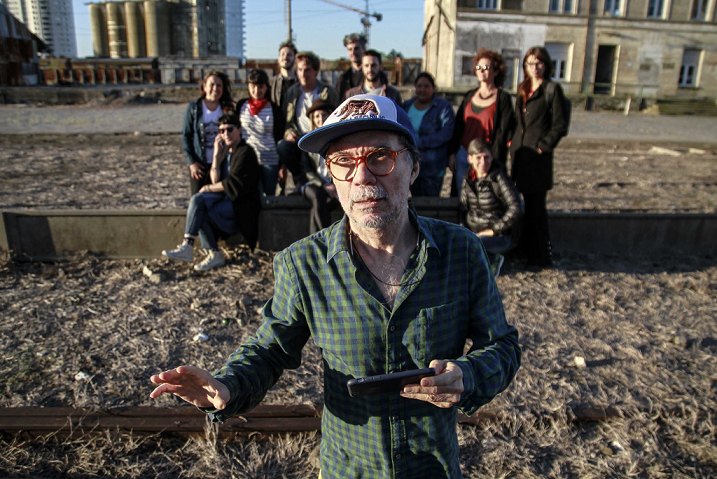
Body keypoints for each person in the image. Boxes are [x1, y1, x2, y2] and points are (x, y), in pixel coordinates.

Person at [150, 94, 521, 479]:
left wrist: (469, 375)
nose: (361, 177)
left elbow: (503, 346)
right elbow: (270, 350)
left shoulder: (461, 251)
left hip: (434, 469)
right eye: (343, 162)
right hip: (349, 469)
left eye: (380, 156)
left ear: (412, 167)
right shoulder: (304, 264)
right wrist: (227, 387)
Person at [163, 113, 261, 271]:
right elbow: (215, 180)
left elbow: (232, 184)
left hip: (239, 206)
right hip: (223, 201)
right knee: (197, 203)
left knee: (199, 205)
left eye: (230, 130)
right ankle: (206, 251)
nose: (225, 134)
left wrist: (208, 188)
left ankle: (194, 247)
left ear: (239, 130)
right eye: (221, 131)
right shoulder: (224, 152)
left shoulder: (245, 152)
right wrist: (215, 154)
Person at [509, 46, 568, 269]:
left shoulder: (552, 89)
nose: (534, 67)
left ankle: (540, 256)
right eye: (530, 63)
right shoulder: (522, 89)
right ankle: (523, 249)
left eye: (539, 63)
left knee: (536, 209)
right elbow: (518, 122)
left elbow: (560, 125)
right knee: (522, 207)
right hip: (520, 156)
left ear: (546, 65)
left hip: (538, 159)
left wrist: (544, 145)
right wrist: (512, 143)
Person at [448, 49, 515, 197]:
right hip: (465, 155)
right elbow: (458, 127)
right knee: (462, 198)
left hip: (487, 158)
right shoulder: (469, 96)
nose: (481, 71)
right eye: (478, 67)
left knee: (486, 198)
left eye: (486, 67)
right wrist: (452, 153)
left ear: (496, 71)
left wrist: (495, 159)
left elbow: (504, 131)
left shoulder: (503, 98)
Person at [459, 139, 523, 278]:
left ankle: (493, 260)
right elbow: (463, 209)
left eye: (486, 157)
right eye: (478, 157)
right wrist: (463, 229)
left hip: (499, 235)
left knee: (475, 244)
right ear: (470, 159)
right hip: (474, 233)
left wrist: (493, 230)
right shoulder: (467, 180)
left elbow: (517, 208)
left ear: (491, 157)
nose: (483, 162)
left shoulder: (499, 178)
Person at [277, 51, 339, 189]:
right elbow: (288, 121)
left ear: (316, 71)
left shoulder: (328, 91)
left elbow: (338, 117)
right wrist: (289, 132)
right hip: (300, 138)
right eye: (299, 70)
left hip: (321, 138)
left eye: (307, 70)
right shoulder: (292, 92)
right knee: (283, 146)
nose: (303, 74)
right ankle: (301, 182)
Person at [401, 72, 456, 196]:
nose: (422, 89)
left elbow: (446, 134)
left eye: (426, 86)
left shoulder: (443, 107)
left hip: (433, 167)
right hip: (411, 166)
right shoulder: (406, 105)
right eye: (419, 86)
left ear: (433, 88)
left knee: (430, 204)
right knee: (414, 204)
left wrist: (419, 142)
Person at [182, 71, 235, 195]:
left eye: (219, 85)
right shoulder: (194, 108)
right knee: (198, 199)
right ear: (204, 86)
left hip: (222, 163)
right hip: (200, 164)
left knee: (220, 199)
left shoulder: (228, 109)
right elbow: (186, 136)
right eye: (212, 85)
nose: (215, 89)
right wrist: (192, 163)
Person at [236, 69, 285, 196]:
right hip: (248, 159)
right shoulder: (241, 106)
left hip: (270, 160)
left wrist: (282, 166)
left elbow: (279, 135)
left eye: (260, 87)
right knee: (250, 195)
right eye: (253, 86)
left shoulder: (274, 110)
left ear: (266, 88)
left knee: (269, 196)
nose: (256, 91)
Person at [298, 99, 339, 233]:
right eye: (316, 116)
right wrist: (323, 185)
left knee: (320, 204)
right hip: (312, 182)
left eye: (323, 115)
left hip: (332, 185)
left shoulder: (336, 139)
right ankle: (325, 237)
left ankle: (315, 242)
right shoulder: (307, 140)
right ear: (312, 119)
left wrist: (334, 186)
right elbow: (306, 169)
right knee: (318, 195)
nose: (320, 119)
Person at [335, 33, 366, 100]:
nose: (353, 52)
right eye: (350, 49)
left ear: (364, 49)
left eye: (356, 48)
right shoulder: (343, 79)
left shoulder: (372, 76)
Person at [269, 41, 297, 108]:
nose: (285, 57)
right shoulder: (271, 83)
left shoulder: (301, 83)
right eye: (282, 54)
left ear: (295, 59)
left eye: (289, 54)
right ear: (278, 59)